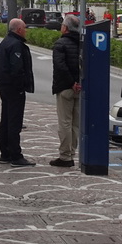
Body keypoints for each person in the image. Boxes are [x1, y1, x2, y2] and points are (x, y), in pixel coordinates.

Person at [0, 18, 35, 166]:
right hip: (13, 88)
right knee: (14, 122)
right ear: (18, 30)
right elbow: (17, 69)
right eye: (24, 28)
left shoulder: (5, 42)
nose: (26, 31)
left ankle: (5, 154)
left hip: (4, 87)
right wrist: (21, 85)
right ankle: (15, 155)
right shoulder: (16, 45)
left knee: (5, 120)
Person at [50, 14, 81, 168]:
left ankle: (65, 156)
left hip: (65, 87)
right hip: (80, 89)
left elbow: (60, 66)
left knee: (65, 123)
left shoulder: (60, 44)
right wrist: (79, 83)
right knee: (76, 124)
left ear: (65, 28)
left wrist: (71, 83)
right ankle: (72, 153)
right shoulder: (83, 43)